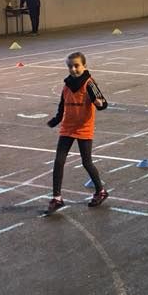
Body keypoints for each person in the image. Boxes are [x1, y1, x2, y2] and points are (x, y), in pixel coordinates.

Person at [45, 52, 108, 214]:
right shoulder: (66, 86)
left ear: (84, 66)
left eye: (76, 65)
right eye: (70, 66)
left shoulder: (89, 83)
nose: (73, 69)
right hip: (68, 127)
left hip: (84, 128)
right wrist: (56, 120)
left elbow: (102, 102)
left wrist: (99, 104)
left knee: (86, 162)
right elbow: (62, 105)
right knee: (59, 161)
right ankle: (57, 198)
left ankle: (100, 191)